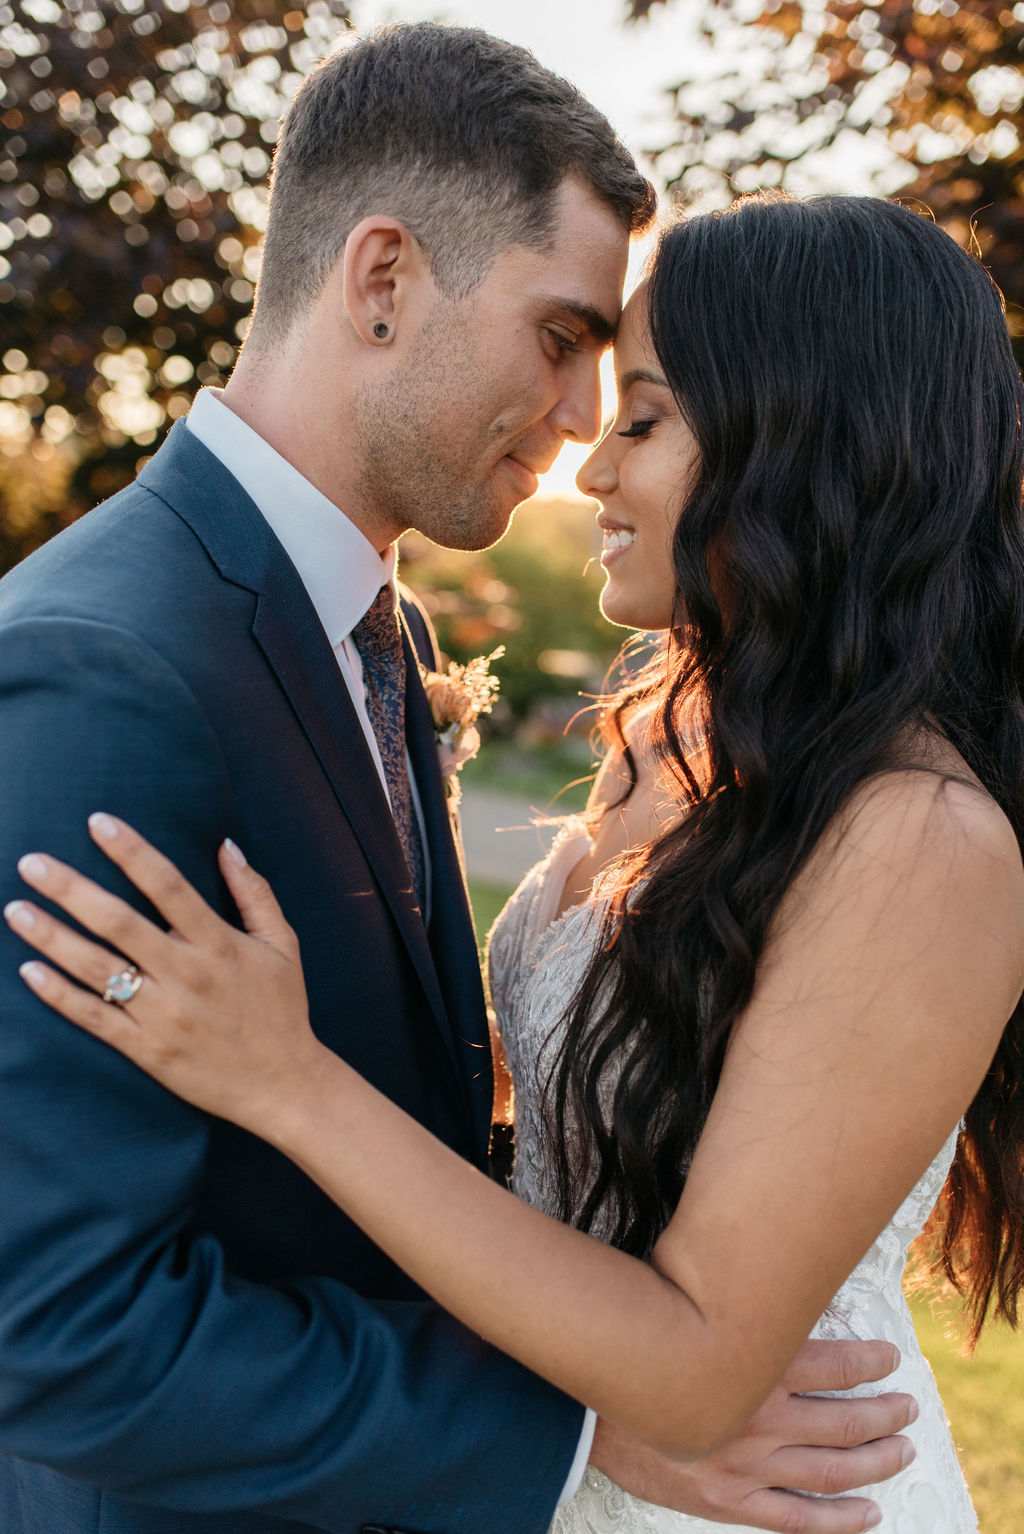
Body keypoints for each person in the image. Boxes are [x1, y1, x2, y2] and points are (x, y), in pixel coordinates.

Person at [0, 24, 916, 1534]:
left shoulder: (376, 626)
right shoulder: (102, 670)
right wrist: (575, 1433)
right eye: (561, 340)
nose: (577, 425)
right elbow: (62, 1327)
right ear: (381, 281)